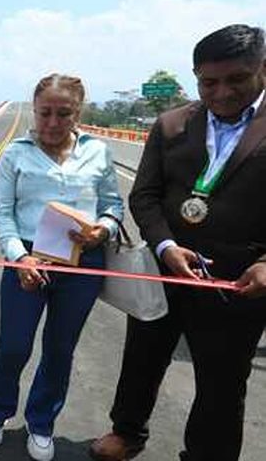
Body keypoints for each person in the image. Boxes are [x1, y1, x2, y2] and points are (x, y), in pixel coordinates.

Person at [90, 24, 266, 461]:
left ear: (263, 69)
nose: (221, 93)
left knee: (223, 382)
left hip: (239, 283)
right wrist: (166, 246)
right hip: (164, 271)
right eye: (208, 82)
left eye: (236, 80)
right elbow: (145, 195)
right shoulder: (171, 125)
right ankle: (127, 432)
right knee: (142, 359)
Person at [0, 74, 123, 461]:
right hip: (28, 257)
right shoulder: (15, 154)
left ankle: (41, 422)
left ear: (79, 113)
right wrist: (18, 257)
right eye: (45, 113)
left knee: (60, 348)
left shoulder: (98, 153)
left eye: (64, 114)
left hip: (81, 262)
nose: (53, 123)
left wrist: (102, 230)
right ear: (34, 110)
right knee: (14, 344)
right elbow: (0, 212)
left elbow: (113, 205)